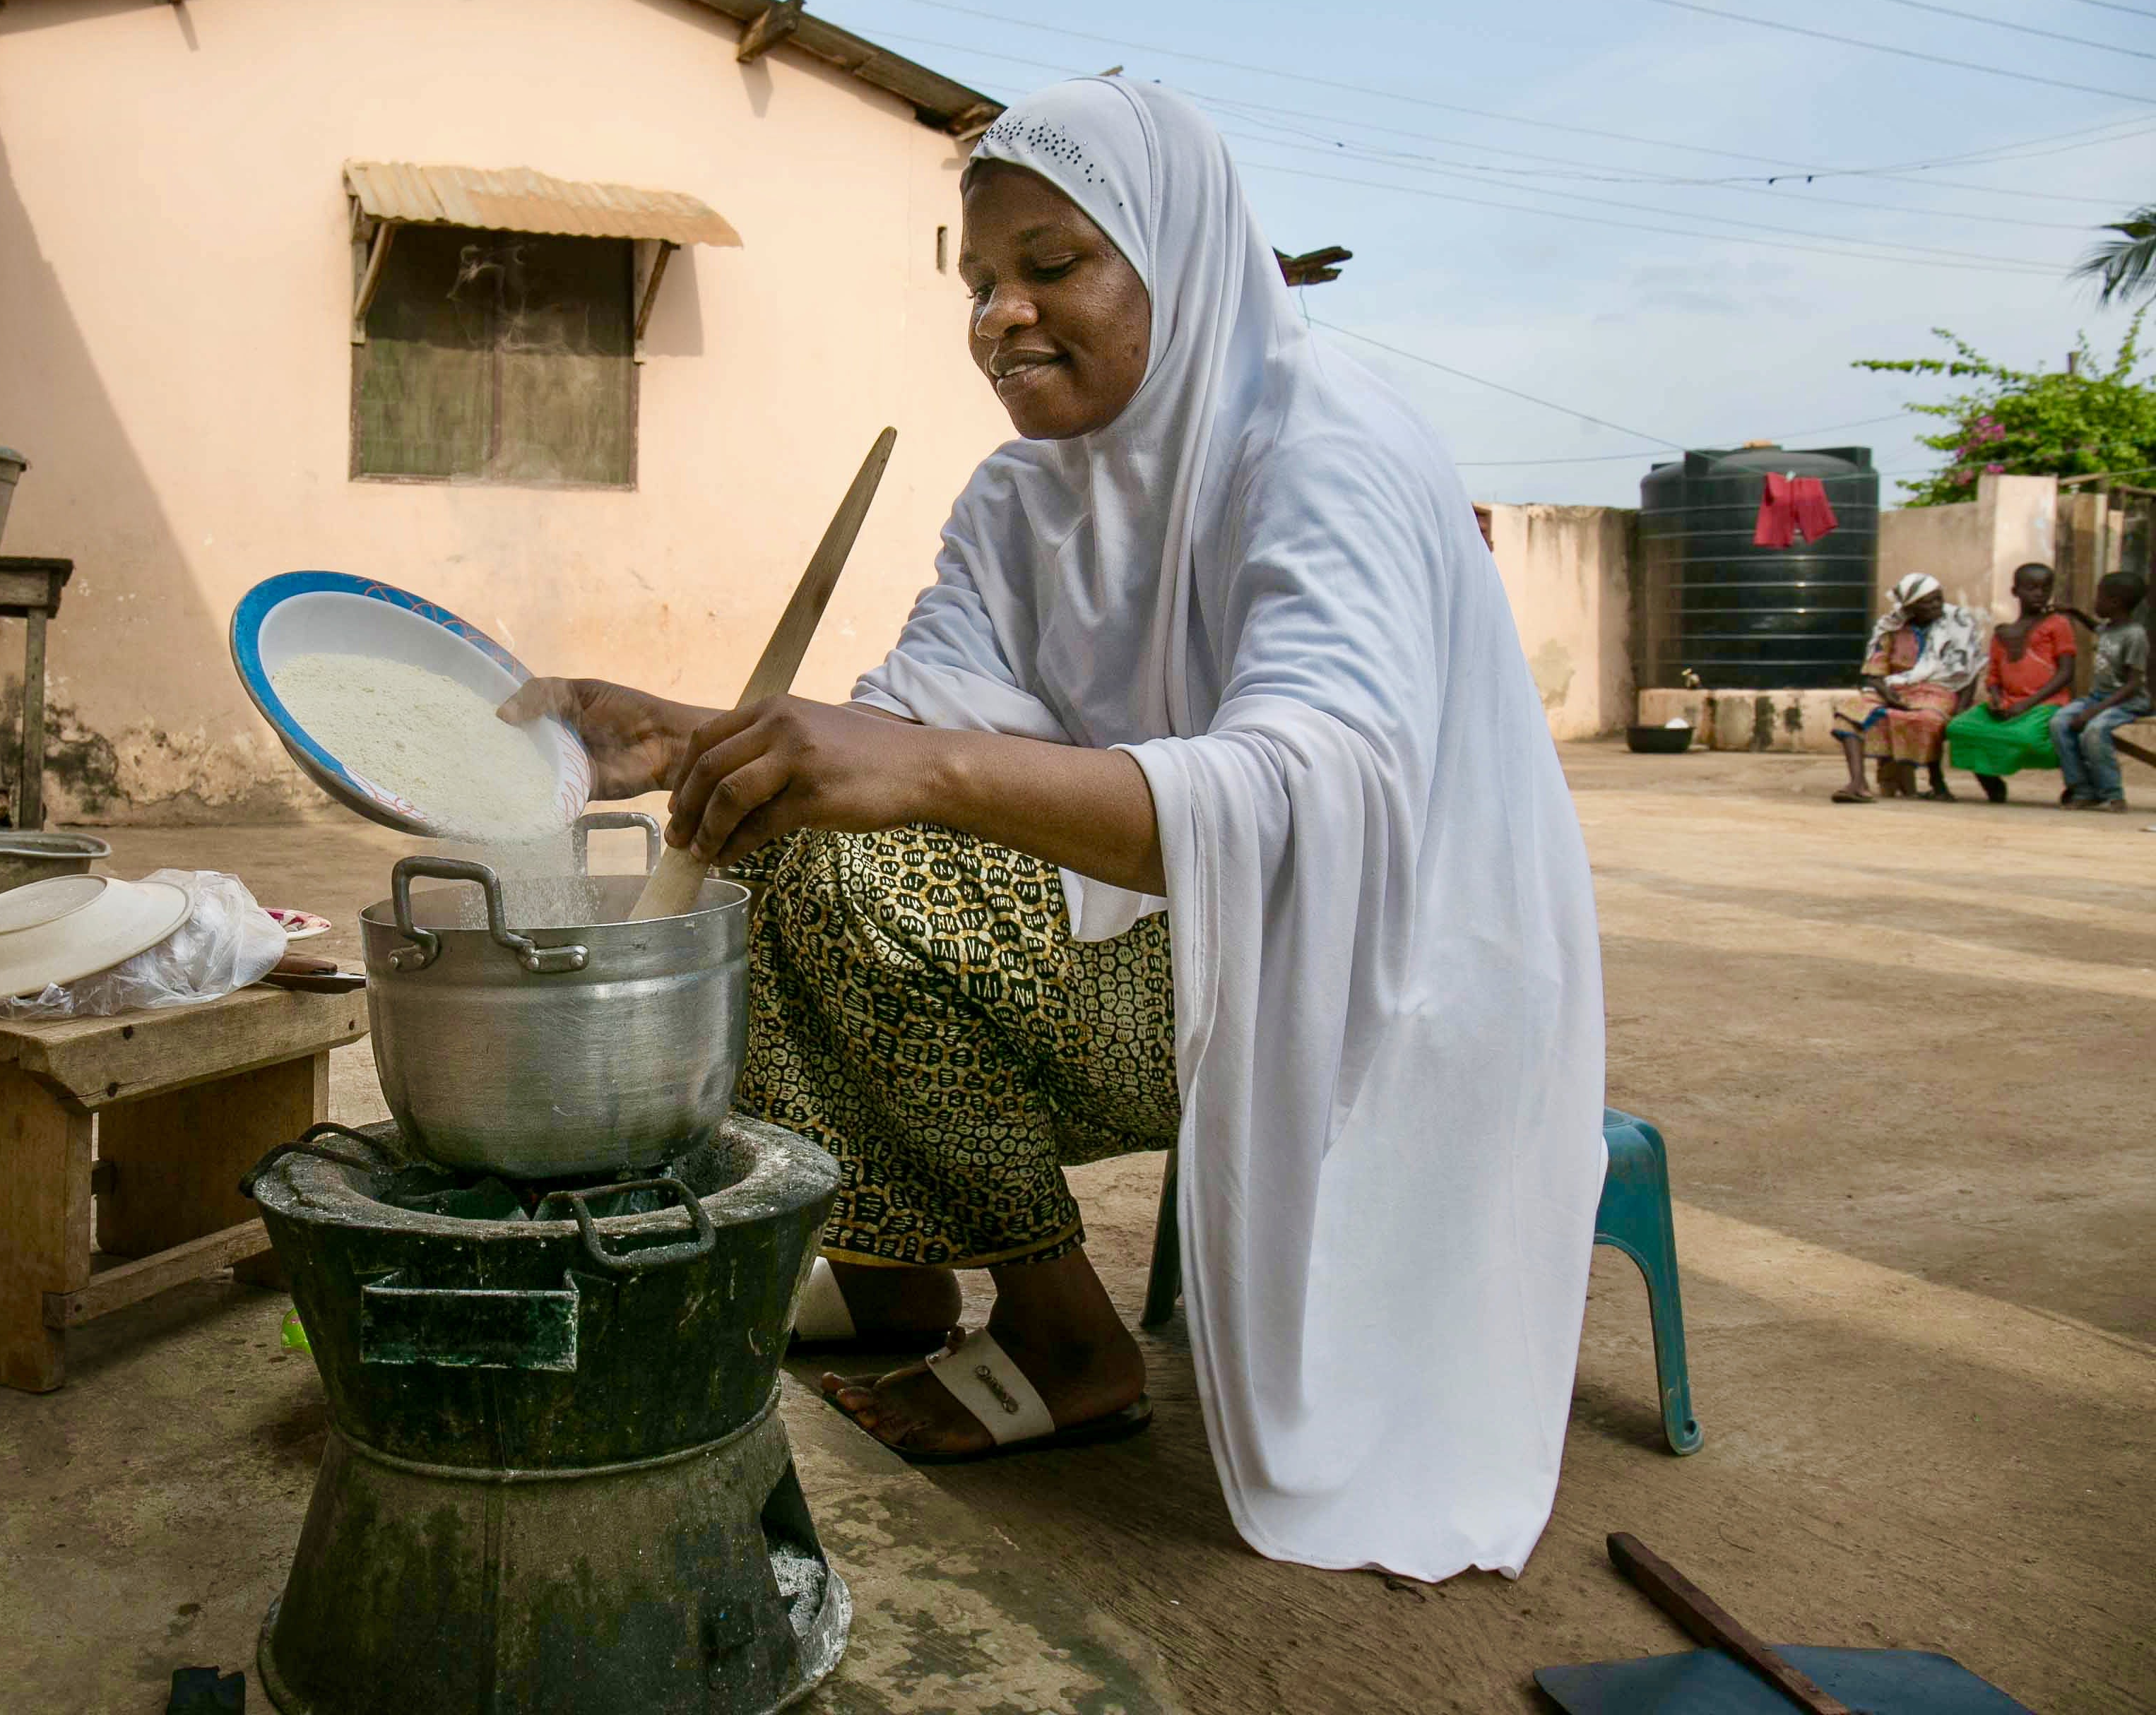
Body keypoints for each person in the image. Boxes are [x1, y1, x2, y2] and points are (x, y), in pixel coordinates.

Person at [505, 80, 1604, 1582]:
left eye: (1053, 264)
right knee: (770, 833)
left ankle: (1067, 1346)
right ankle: (892, 1278)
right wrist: (685, 737)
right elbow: (903, 728)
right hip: (1173, 935)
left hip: (1373, 973)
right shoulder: (1024, 495)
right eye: (978, 283)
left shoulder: (1322, 451)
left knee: (845, 875)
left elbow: (1317, 797)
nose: (1001, 315)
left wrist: (931, 779)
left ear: (1184, 258)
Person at [1831, 573, 1982, 803]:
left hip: (1938, 690)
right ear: (1911, 607)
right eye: (1928, 602)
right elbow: (1874, 674)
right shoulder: (1891, 628)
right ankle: (1858, 783)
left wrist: (1961, 709)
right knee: (1848, 714)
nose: (1936, 605)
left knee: (1927, 720)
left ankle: (1936, 781)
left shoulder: (1959, 624)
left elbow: (1970, 673)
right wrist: (1888, 696)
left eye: (1938, 599)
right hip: (1896, 689)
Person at [1943, 563, 2078, 803]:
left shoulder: (2058, 624)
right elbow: (1993, 676)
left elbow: (2066, 673)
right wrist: (1995, 699)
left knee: (2026, 738)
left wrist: (2027, 704)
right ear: (2016, 592)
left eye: (2045, 588)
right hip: (2008, 703)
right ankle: (1990, 780)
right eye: (2031, 588)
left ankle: (2076, 778)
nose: (2039, 594)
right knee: (1958, 728)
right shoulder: (2004, 633)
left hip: (2045, 703)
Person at [2054, 570, 2150, 812]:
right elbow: (2097, 628)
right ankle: (2083, 789)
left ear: (2115, 603)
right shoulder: (2110, 628)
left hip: (2128, 701)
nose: (2095, 602)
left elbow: (2134, 684)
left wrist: (2094, 711)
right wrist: (2075, 614)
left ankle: (2113, 794)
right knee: (2059, 722)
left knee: (2094, 731)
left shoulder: (2135, 635)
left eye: (2099, 597)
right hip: (2099, 698)